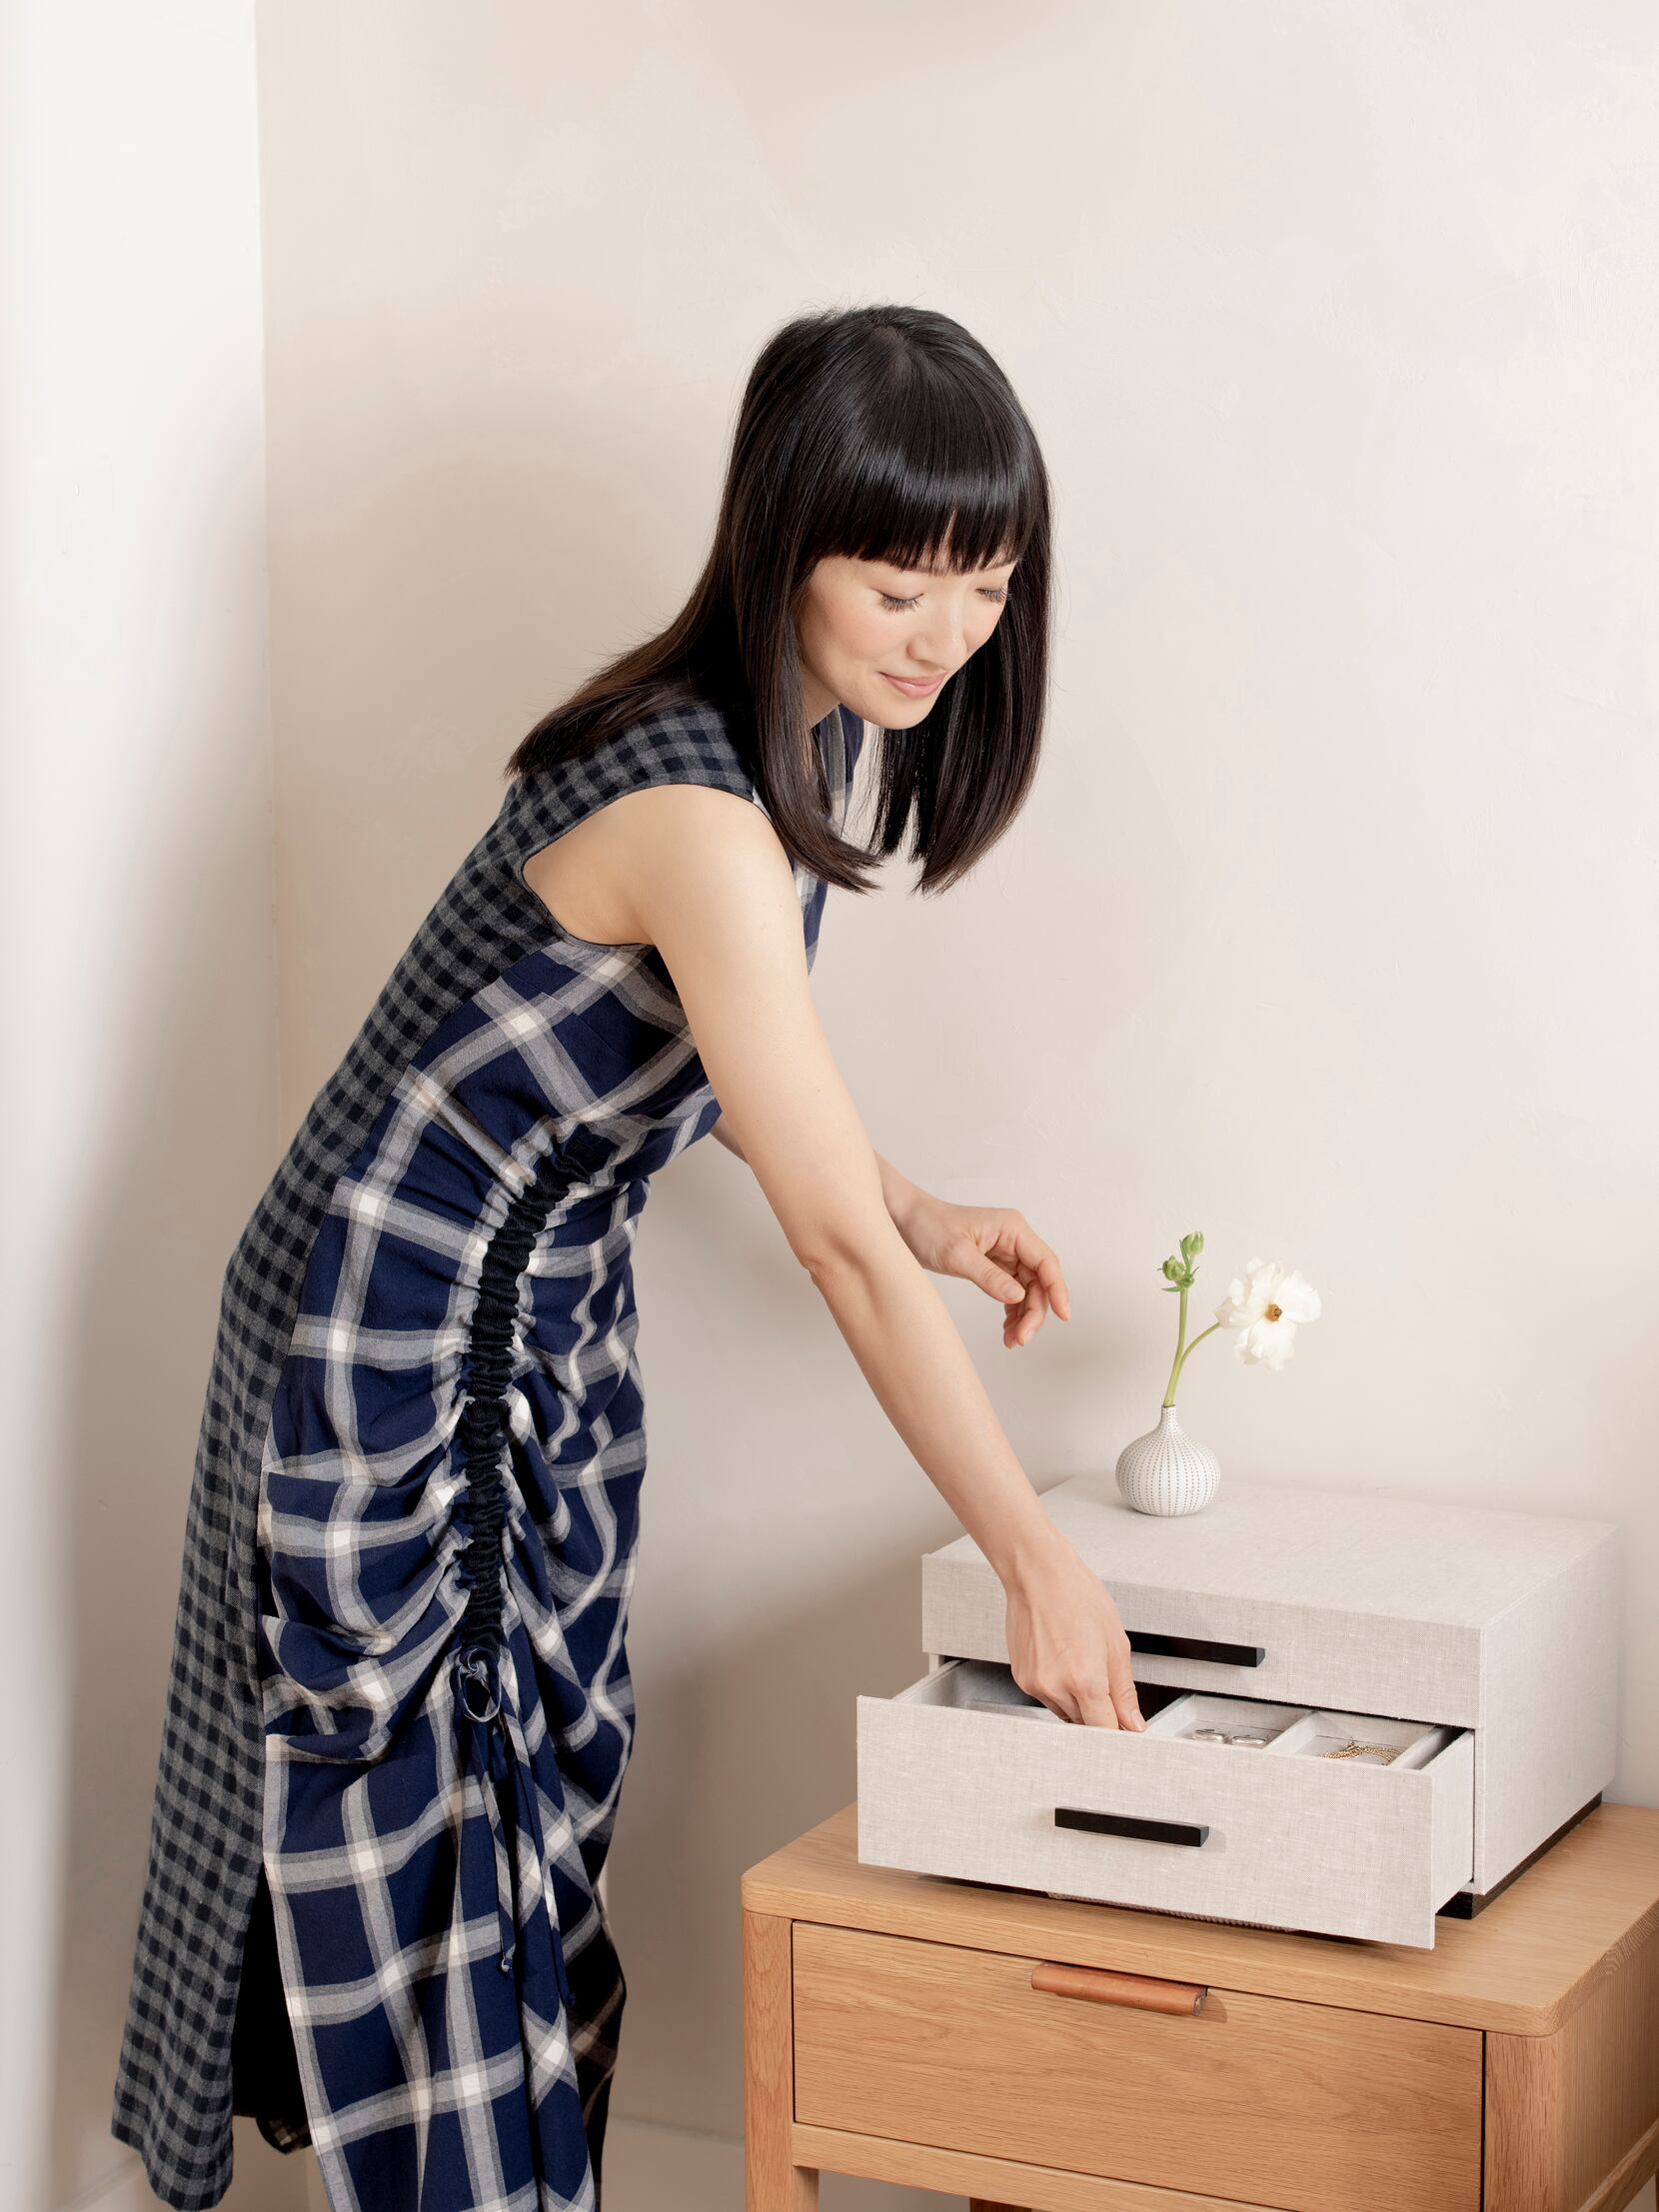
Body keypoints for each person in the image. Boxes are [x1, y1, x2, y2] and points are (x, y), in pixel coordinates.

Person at [110, 301, 1141, 2212]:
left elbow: (743, 1090)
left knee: (530, 1835)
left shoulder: (772, 746)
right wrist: (1033, 1552)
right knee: (440, 1848)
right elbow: (826, 1244)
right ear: (779, 541)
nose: (944, 638)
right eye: (898, 581)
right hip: (391, 1326)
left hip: (521, 1320)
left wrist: (920, 1205)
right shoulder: (691, 802)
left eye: (984, 588)